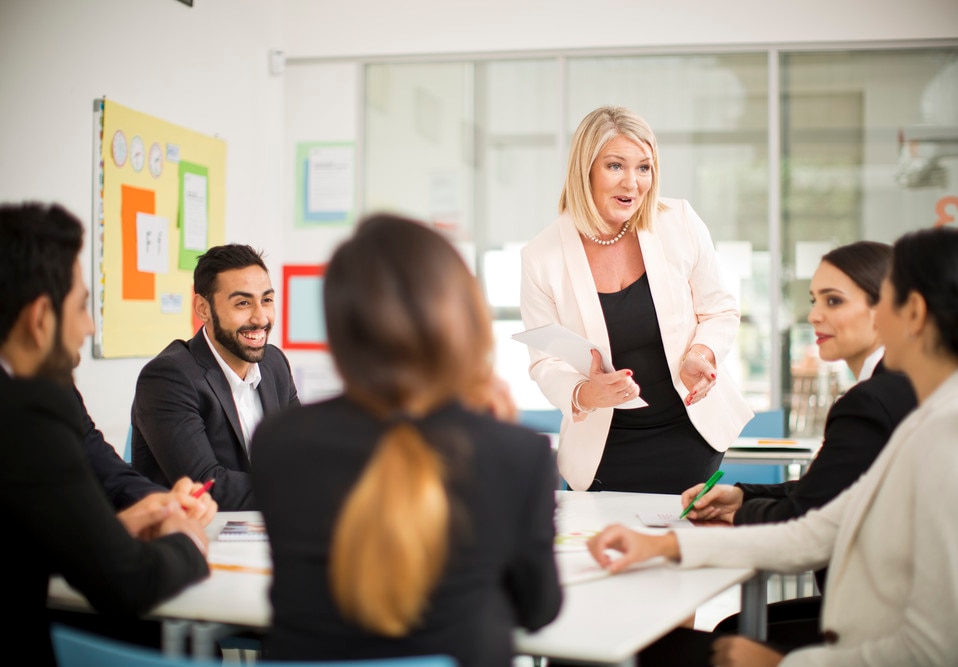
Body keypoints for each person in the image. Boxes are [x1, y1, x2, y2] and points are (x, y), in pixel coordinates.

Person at [587, 226, 958, 666]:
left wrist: (779, 664)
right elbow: (814, 532)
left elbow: (931, 653)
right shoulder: (938, 410)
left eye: (887, 301)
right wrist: (661, 546)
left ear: (913, 312)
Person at [252, 213, 562, 666]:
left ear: (340, 330)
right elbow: (538, 610)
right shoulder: (515, 454)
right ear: (464, 320)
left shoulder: (278, 443)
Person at [0, 201, 211, 667]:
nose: (89, 327)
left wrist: (119, 523)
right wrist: (188, 538)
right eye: (81, 306)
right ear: (39, 320)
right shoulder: (28, 415)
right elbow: (127, 582)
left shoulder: (42, 399)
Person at [677, 241, 917, 646]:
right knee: (730, 629)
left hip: (880, 620)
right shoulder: (901, 385)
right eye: (814, 299)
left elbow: (807, 515)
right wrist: (741, 496)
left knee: (699, 645)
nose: (813, 315)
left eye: (834, 300)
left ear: (886, 309)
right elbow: (832, 492)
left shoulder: (872, 402)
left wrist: (736, 516)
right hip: (888, 602)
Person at [519, 105, 753, 493]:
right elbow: (545, 360)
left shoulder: (678, 221)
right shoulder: (541, 256)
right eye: (615, 166)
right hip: (603, 450)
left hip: (689, 435)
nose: (632, 183)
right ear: (586, 169)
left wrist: (703, 353)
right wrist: (583, 393)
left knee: (686, 548)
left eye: (643, 168)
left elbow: (720, 310)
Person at [131, 243, 301, 510]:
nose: (260, 318)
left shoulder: (274, 364)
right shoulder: (169, 378)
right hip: (193, 540)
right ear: (203, 309)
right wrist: (309, 487)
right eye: (243, 303)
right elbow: (206, 485)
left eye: (266, 300)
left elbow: (300, 454)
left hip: (264, 533)